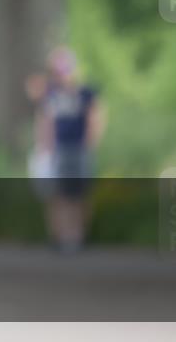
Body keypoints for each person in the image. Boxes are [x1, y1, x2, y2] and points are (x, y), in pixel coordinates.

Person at [32, 47, 106, 253]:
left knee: (80, 194)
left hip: (79, 149)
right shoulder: (51, 95)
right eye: (56, 72)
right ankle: (60, 235)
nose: (60, 76)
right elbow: (44, 120)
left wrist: (90, 143)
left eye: (63, 70)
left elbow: (96, 116)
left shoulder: (85, 93)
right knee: (59, 194)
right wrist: (44, 147)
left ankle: (79, 235)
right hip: (59, 150)